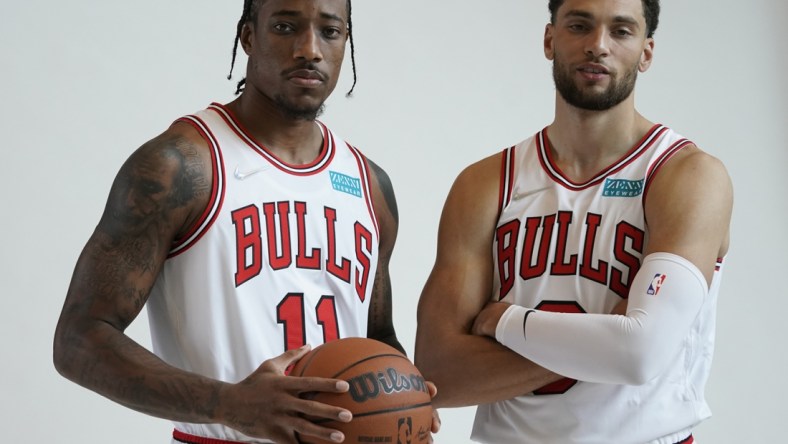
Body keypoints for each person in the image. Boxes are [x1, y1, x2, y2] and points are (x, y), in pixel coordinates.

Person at [53, 1, 435, 443]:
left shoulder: (369, 184)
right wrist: (229, 404)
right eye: (285, 26)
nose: (309, 49)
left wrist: (404, 399)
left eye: (330, 32)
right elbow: (79, 340)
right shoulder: (181, 166)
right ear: (248, 36)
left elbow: (379, 336)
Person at [415, 0, 732, 443]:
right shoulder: (487, 184)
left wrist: (505, 323)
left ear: (646, 51)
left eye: (621, 31)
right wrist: (602, 340)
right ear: (550, 39)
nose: (597, 46)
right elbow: (438, 373)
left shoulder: (686, 176)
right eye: (579, 26)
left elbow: (639, 353)